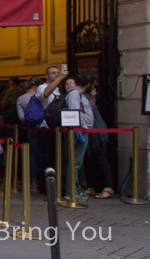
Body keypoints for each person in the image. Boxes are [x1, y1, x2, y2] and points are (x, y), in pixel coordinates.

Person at [35, 65, 68, 192]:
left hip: (56, 127)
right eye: (53, 73)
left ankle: (55, 184)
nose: (55, 74)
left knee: (56, 157)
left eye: (57, 73)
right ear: (46, 76)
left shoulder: (58, 90)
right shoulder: (42, 87)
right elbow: (45, 94)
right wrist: (59, 79)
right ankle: (45, 187)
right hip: (45, 127)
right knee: (48, 157)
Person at [65, 74, 94, 202]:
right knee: (75, 162)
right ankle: (72, 191)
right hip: (79, 132)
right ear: (88, 85)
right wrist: (84, 128)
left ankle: (74, 190)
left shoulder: (78, 94)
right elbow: (74, 111)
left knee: (77, 162)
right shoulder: (74, 94)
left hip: (81, 130)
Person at [84, 85, 114, 199]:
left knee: (101, 158)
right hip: (89, 132)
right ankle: (90, 186)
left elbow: (89, 112)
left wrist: (92, 98)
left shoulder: (85, 98)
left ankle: (108, 187)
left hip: (97, 132)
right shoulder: (83, 97)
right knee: (88, 158)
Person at [16, 77, 40, 191]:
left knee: (33, 155)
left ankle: (33, 181)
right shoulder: (41, 96)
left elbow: (21, 117)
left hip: (31, 127)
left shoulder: (21, 99)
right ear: (36, 86)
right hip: (46, 127)